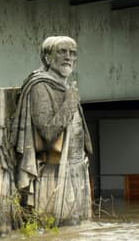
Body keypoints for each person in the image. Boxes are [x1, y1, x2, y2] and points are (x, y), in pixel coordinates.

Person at [5, 36, 93, 227]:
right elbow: (47, 131)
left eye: (72, 53)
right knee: (61, 226)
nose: (68, 57)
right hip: (55, 171)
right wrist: (70, 102)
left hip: (76, 166)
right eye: (62, 52)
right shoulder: (40, 86)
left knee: (78, 229)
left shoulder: (67, 86)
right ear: (47, 57)